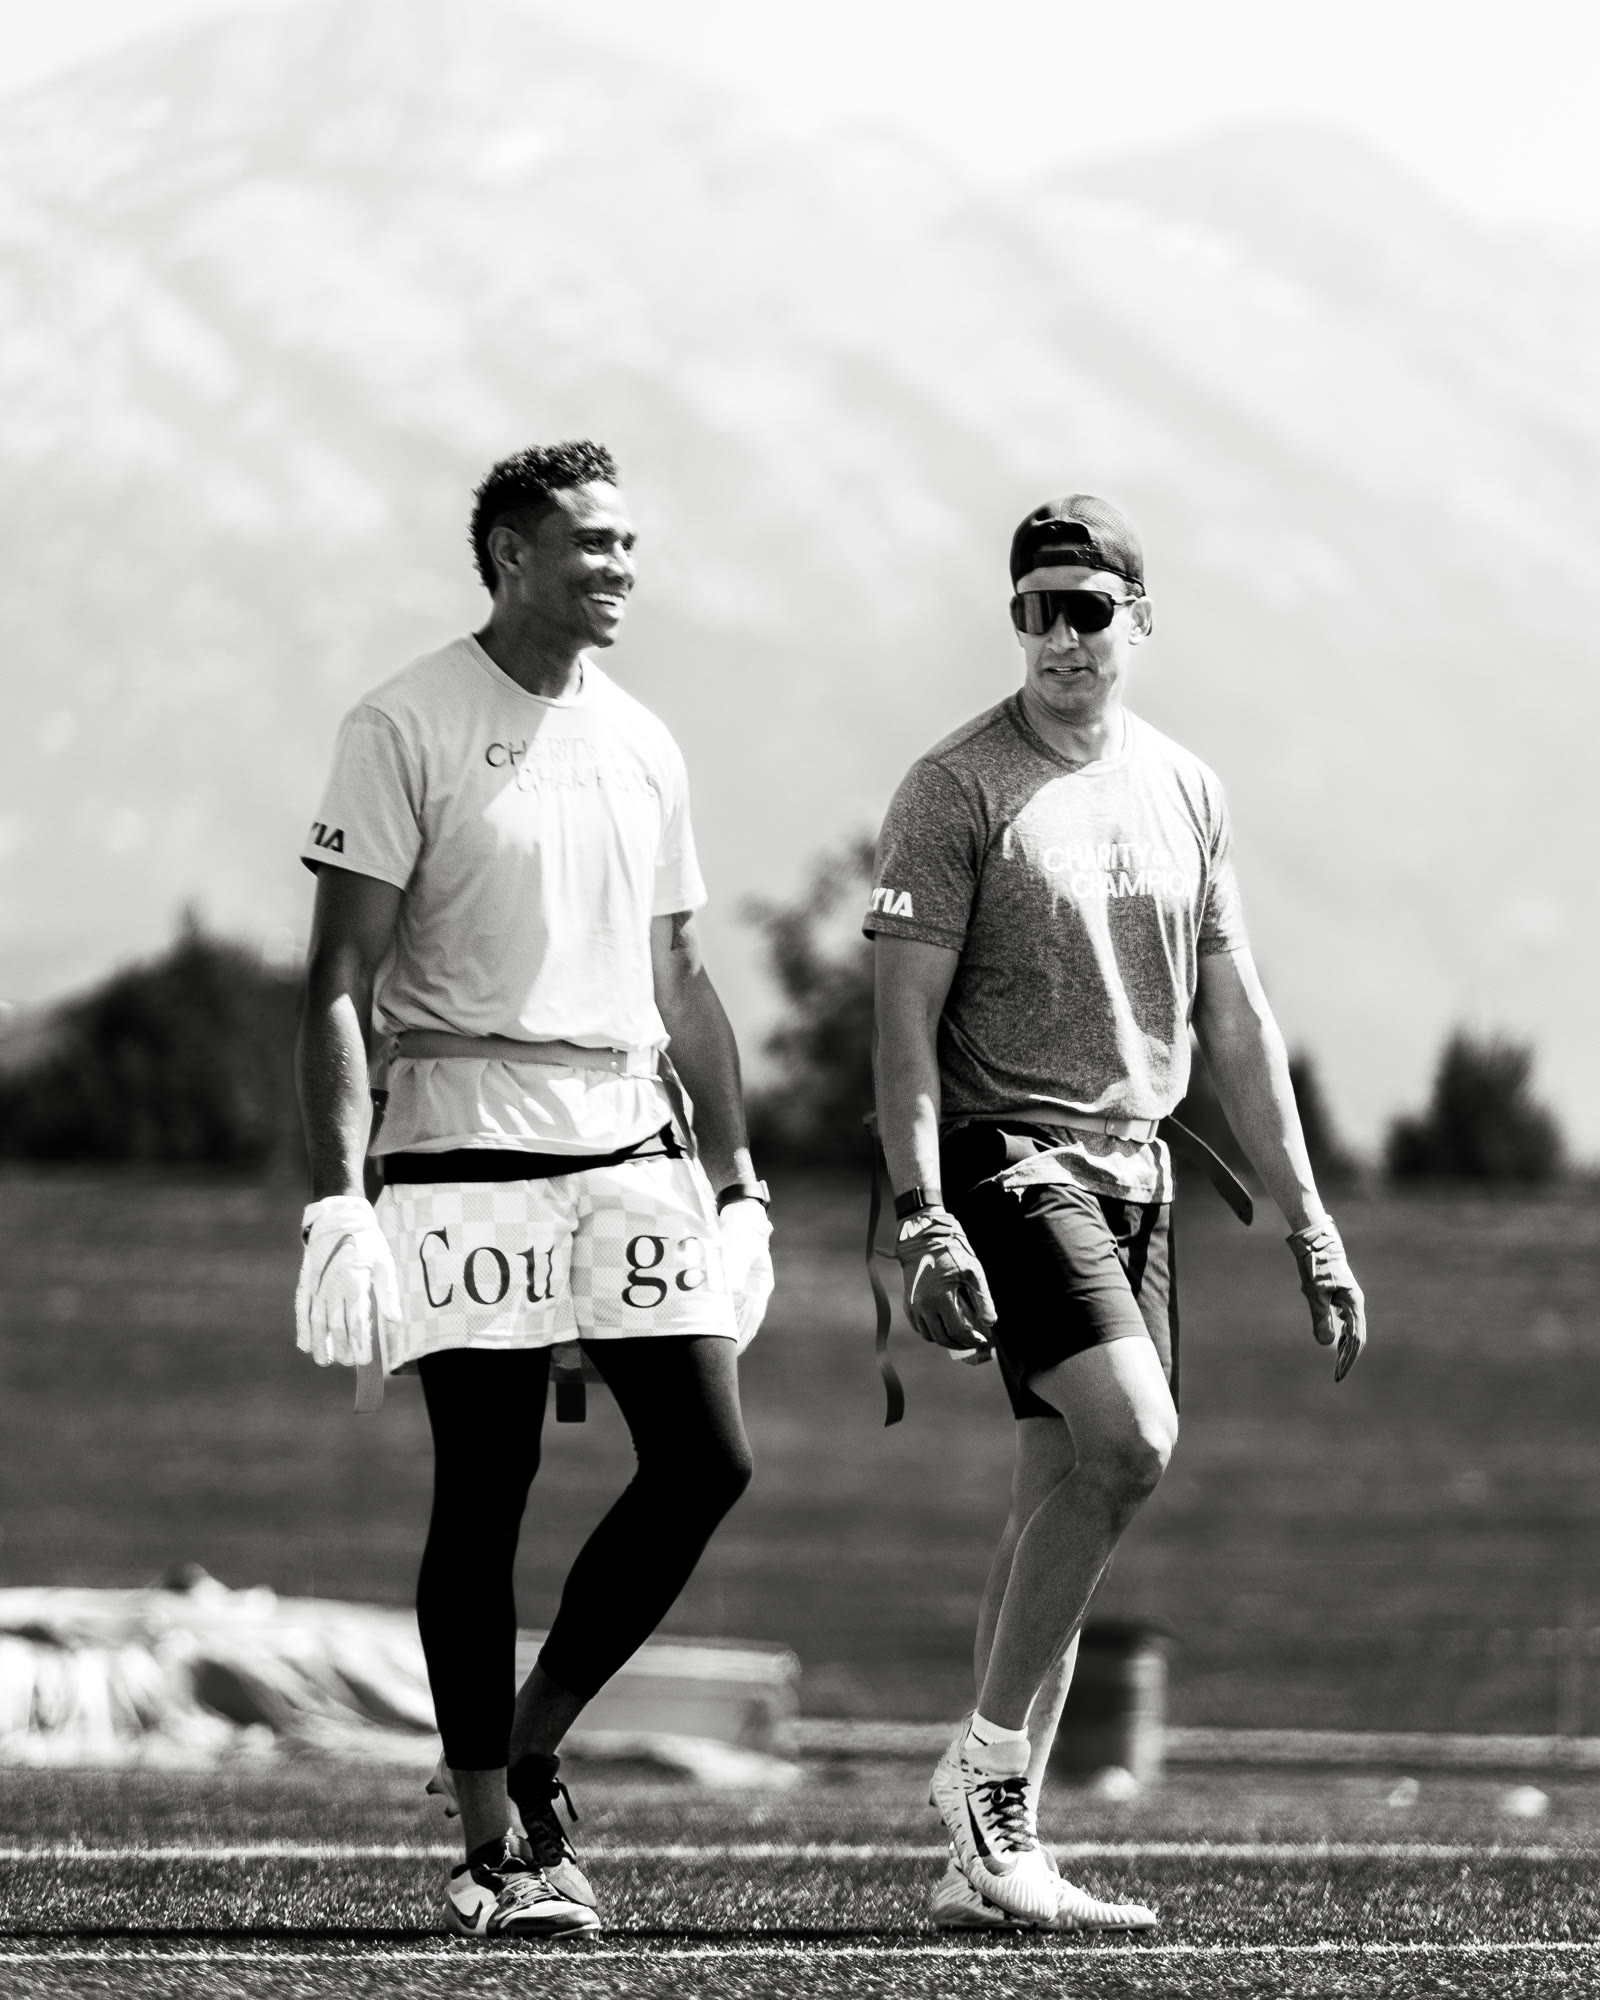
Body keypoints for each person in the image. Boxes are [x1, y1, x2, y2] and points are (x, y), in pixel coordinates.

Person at [293, 440, 774, 1944]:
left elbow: (683, 977)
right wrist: (336, 1201)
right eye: (589, 543)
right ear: (508, 556)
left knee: (705, 1461)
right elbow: (336, 984)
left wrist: (740, 1179)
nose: (620, 567)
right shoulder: (403, 722)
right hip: (460, 1147)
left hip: (626, 1141)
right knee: (484, 1490)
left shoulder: (646, 739)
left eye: (631, 543)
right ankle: (496, 1843)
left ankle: (531, 1733)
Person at [866, 494, 1366, 1932]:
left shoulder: (1187, 788)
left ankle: (986, 1847)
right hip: (1006, 1158)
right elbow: (899, 1029)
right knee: (1132, 1442)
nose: (1064, 636)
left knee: (1059, 1499)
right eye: (1038, 609)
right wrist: (923, 1215)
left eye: (1090, 608)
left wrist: (1312, 1226)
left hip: (1139, 1175)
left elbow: (1239, 1017)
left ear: (1141, 620)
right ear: (1014, 621)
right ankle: (988, 1774)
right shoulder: (953, 787)